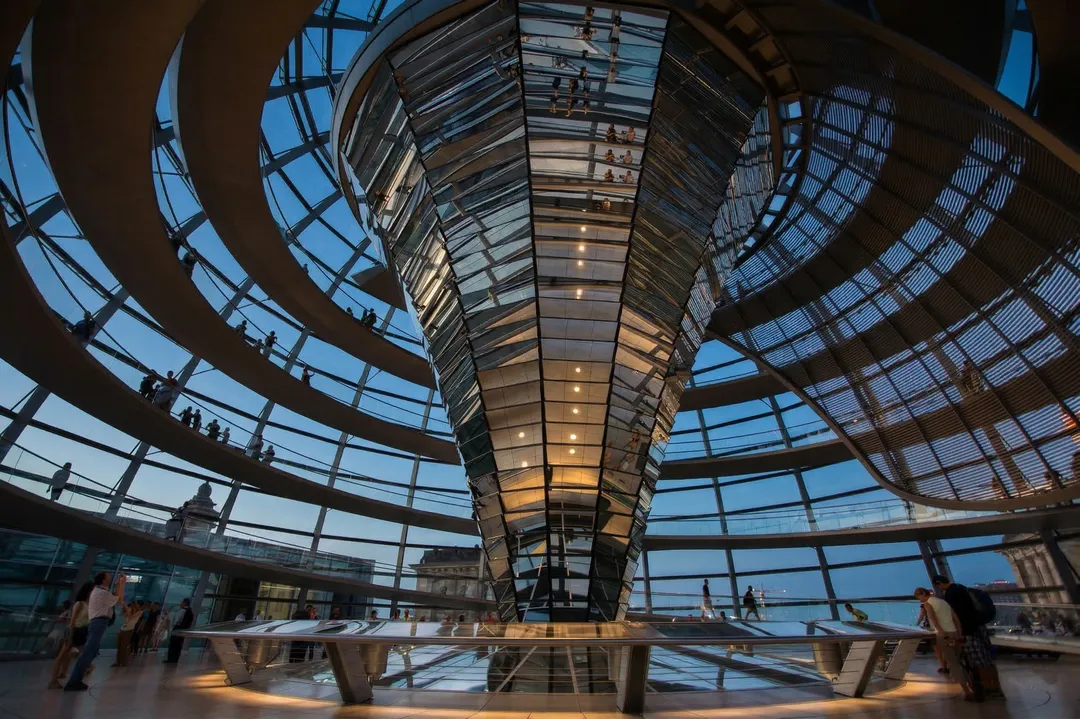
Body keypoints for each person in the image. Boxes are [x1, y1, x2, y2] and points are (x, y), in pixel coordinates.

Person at [932, 574, 1000, 700]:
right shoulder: (962, 588)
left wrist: (958, 634)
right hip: (979, 628)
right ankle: (996, 688)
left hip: (968, 631)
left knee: (977, 662)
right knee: (987, 661)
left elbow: (957, 617)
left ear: (938, 584)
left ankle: (986, 689)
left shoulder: (950, 594)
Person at [64, 571, 126, 691]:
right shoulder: (101, 593)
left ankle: (76, 679)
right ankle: (74, 681)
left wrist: (119, 585)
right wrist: (122, 584)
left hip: (98, 623)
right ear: (103, 580)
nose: (110, 578)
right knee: (88, 652)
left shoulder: (100, 592)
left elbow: (116, 598)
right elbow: (119, 600)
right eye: (108, 577)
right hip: (98, 623)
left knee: (90, 652)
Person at [914, 587, 975, 698]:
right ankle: (972, 685)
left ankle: (967, 691)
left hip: (943, 635)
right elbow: (955, 618)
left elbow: (934, 620)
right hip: (954, 632)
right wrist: (959, 633)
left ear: (923, 594)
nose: (919, 600)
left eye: (919, 597)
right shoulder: (943, 602)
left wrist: (942, 633)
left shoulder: (928, 604)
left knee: (952, 662)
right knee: (958, 660)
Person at [48, 583, 93, 688]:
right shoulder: (80, 604)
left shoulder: (88, 604)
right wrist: (70, 635)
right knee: (62, 655)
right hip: (74, 630)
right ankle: (53, 680)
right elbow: (72, 622)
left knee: (77, 654)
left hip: (82, 631)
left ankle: (82, 670)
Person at [163, 599, 194, 664]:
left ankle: (170, 659)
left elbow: (176, 621)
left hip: (177, 629)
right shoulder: (190, 612)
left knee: (173, 645)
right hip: (183, 630)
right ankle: (175, 659)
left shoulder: (182, 611)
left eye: (181, 602)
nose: (180, 604)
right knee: (178, 645)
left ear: (184, 603)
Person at [113, 601, 143, 667]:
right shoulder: (129, 612)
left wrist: (126, 607)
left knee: (124, 647)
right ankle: (118, 662)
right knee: (119, 646)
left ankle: (124, 662)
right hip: (122, 630)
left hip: (128, 631)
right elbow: (126, 619)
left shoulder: (139, 612)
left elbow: (130, 617)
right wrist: (127, 609)